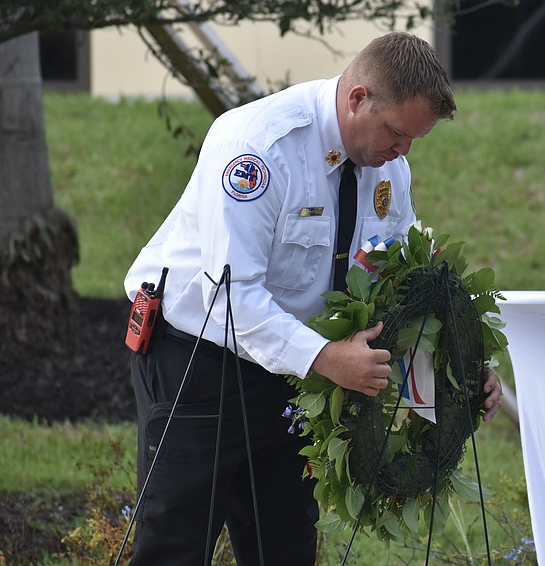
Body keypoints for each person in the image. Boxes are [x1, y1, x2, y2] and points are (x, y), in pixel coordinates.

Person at [123, 31, 504, 565]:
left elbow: (402, 289)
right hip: (199, 360)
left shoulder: (387, 166)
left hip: (296, 373)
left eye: (414, 140)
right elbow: (234, 299)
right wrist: (328, 359)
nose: (403, 151)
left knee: (285, 544)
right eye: (397, 132)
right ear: (358, 98)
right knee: (175, 542)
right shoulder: (259, 146)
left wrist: (455, 370)